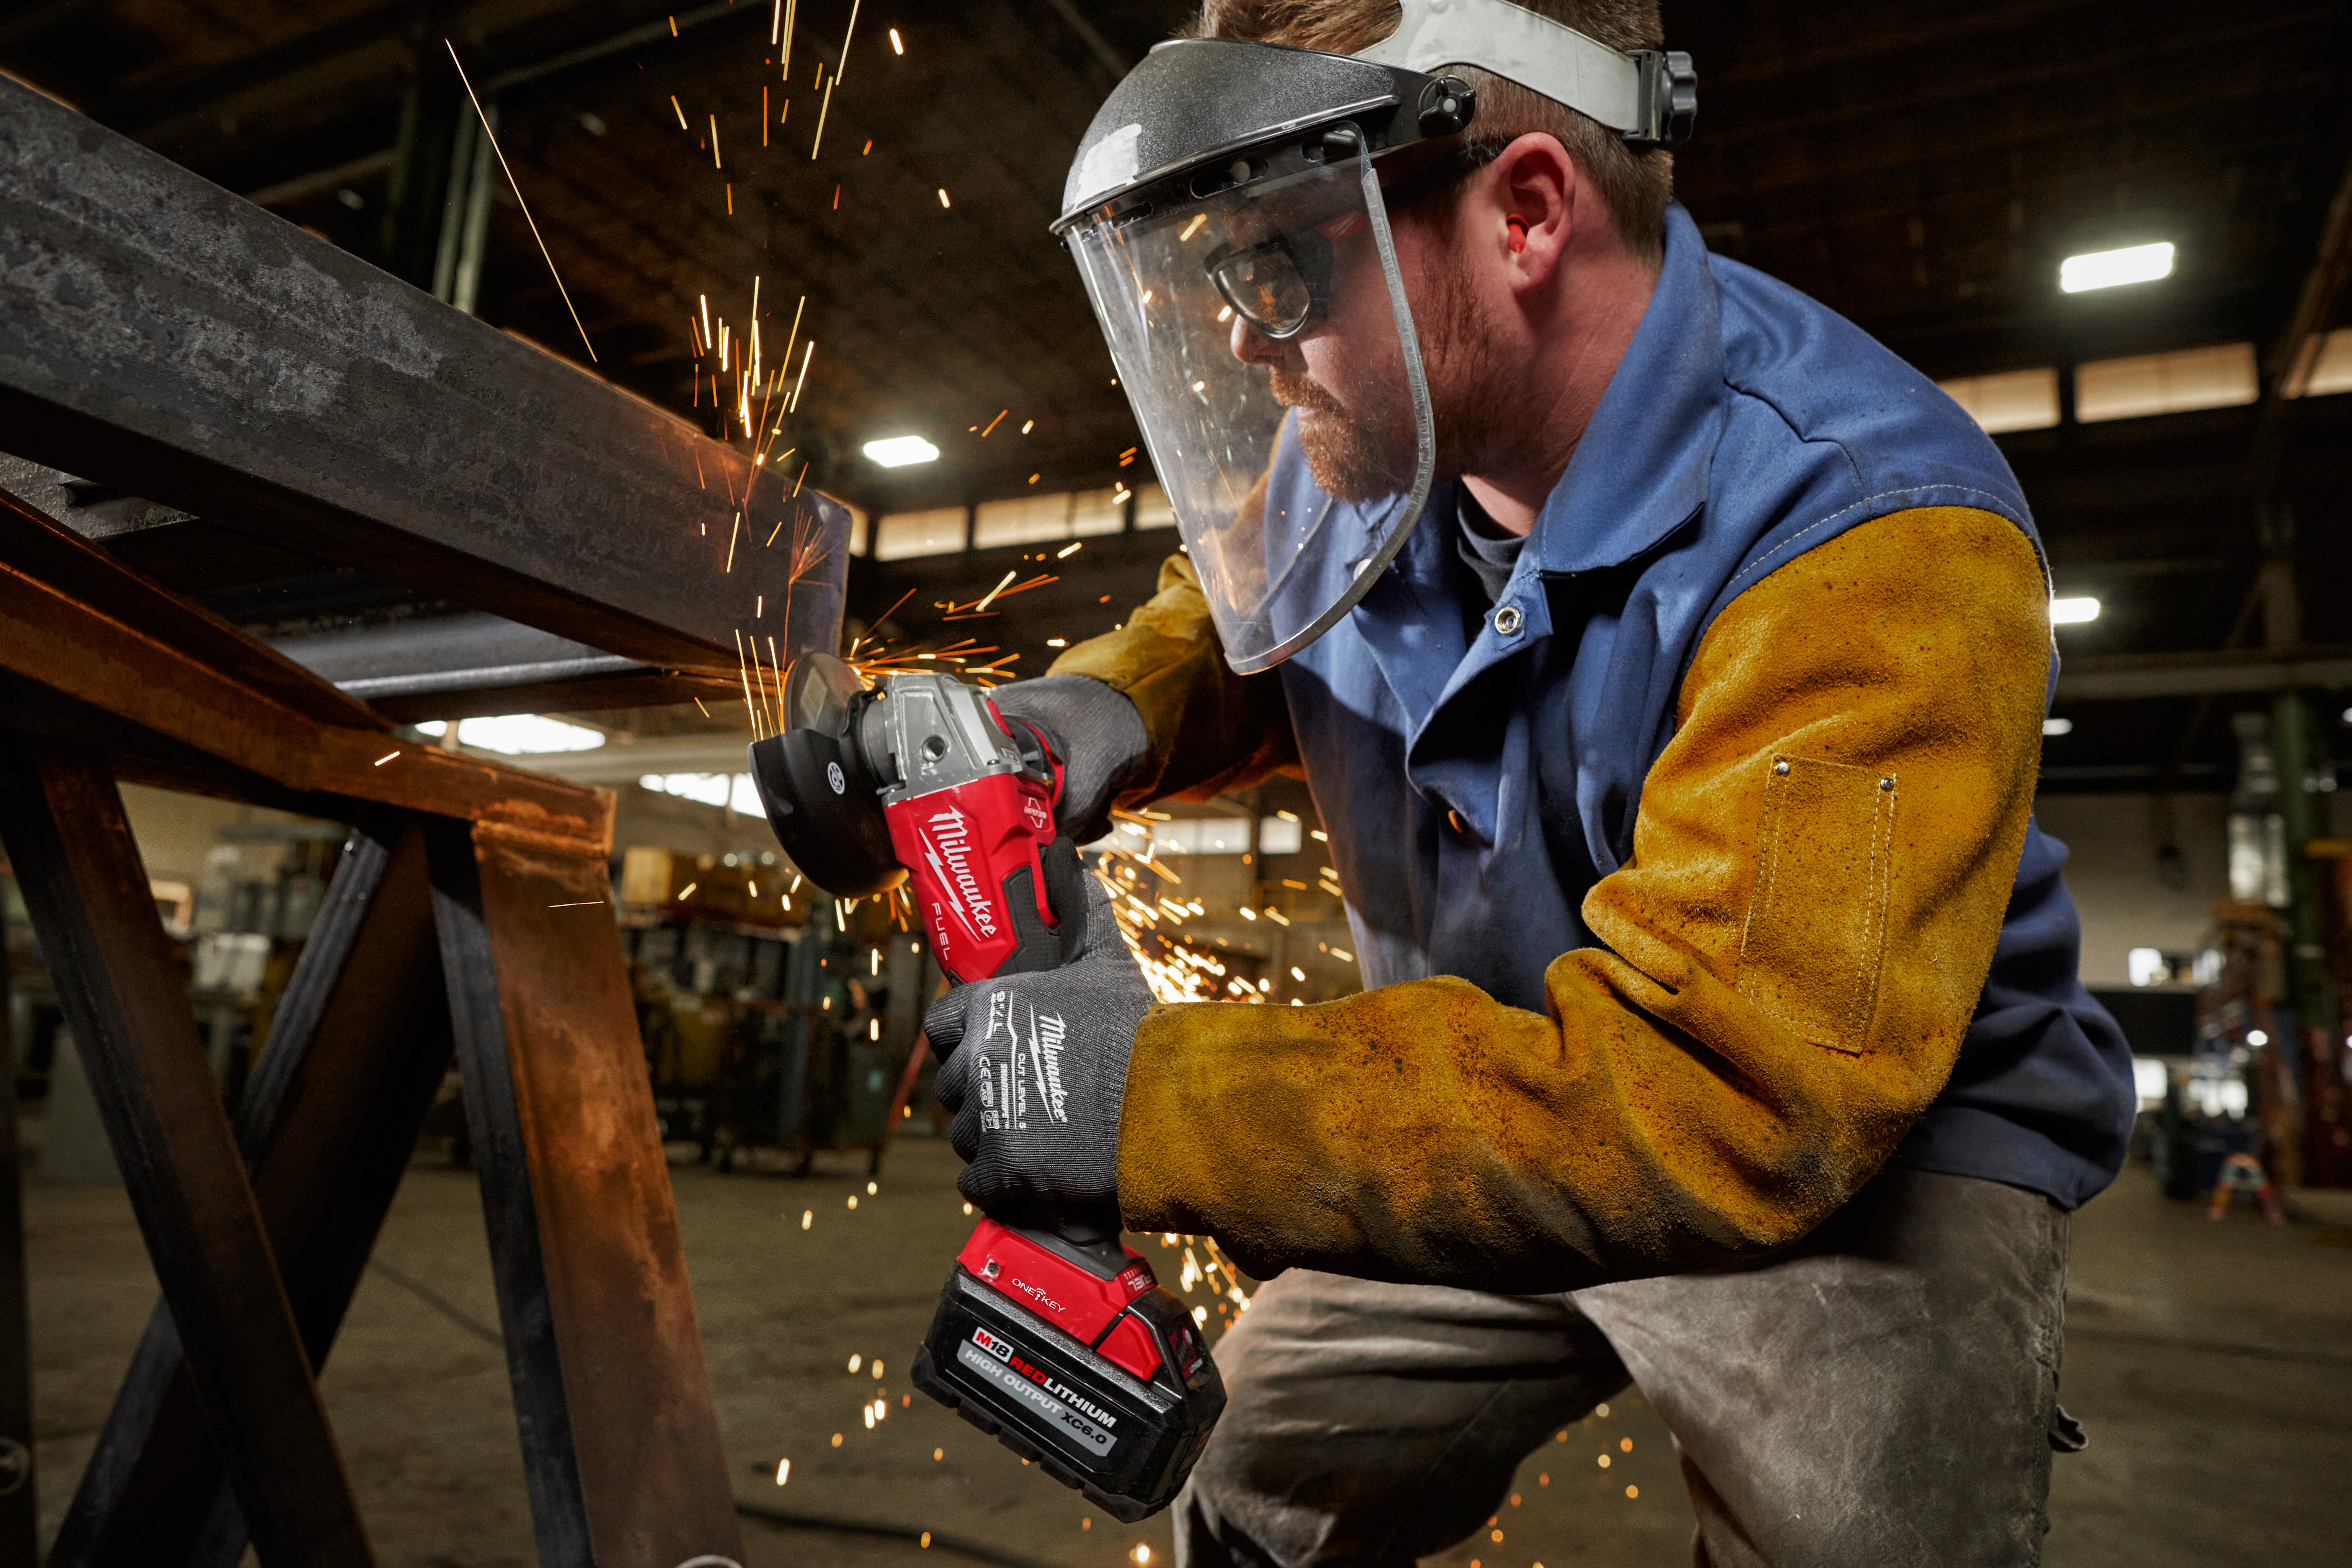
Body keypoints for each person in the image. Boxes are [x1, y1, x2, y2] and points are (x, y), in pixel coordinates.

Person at [926, 2, 2135, 1562]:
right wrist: (1089, 711)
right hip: (1482, 1114)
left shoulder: (1876, 534)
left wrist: (1147, 1095)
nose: (1240, 332)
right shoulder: (1377, 439)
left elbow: (1726, 1096)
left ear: (1523, 211)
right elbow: (1240, 614)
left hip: (1852, 1165)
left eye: (1280, 263)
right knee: (1249, 1478)